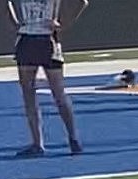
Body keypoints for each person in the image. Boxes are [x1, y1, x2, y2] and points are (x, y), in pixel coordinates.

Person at [7, 0, 87, 158]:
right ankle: (61, 140)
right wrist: (16, 23)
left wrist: (62, 24)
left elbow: (81, 3)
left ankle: (59, 140)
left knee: (46, 93)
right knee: (45, 93)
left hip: (40, 38)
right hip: (33, 38)